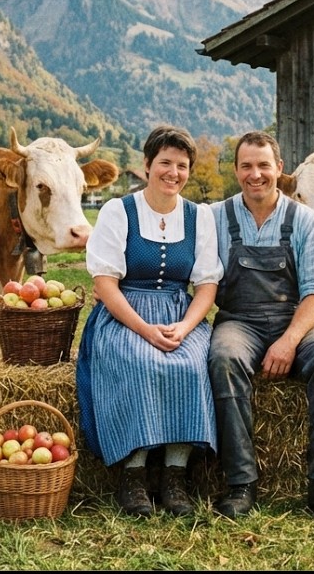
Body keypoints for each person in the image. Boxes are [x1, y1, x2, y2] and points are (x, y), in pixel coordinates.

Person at [75, 124, 223, 517]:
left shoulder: (199, 217)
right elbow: (105, 285)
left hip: (179, 312)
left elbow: (206, 286)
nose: (173, 173)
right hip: (124, 314)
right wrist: (144, 329)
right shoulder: (118, 211)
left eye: (182, 165)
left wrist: (187, 327)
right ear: (146, 165)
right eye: (165, 163)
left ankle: (175, 476)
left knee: (192, 363)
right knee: (137, 361)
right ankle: (134, 475)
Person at [208, 130, 314, 523]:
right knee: (222, 357)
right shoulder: (216, 217)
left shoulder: (304, 220)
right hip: (239, 321)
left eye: (263, 166)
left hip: (298, 319)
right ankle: (241, 483)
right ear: (236, 171)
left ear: (280, 169)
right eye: (247, 166)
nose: (256, 174)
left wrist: (289, 341)